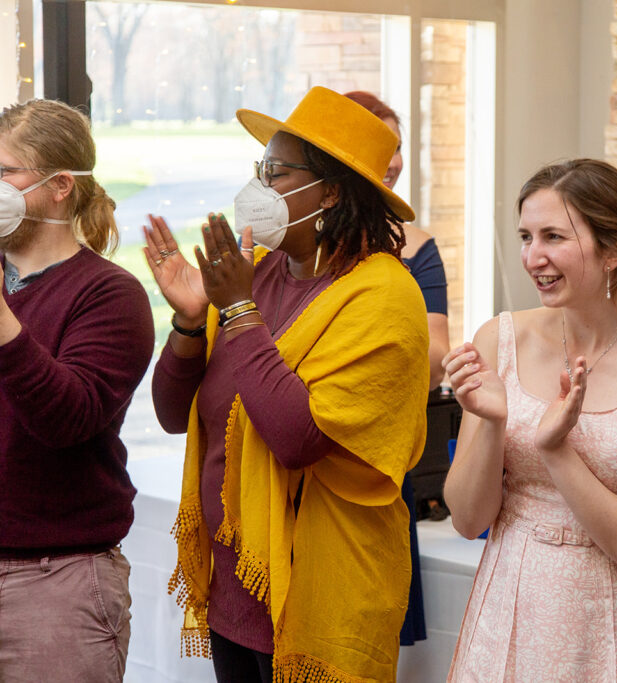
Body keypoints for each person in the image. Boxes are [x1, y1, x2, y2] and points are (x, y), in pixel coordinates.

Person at [149, 86, 429, 682]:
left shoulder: (384, 294)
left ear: (330, 190)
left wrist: (241, 312)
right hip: (238, 581)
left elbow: (298, 436)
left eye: (276, 173)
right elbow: (176, 415)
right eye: (260, 169)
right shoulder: (261, 272)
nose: (259, 188)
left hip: (319, 593)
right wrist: (192, 320)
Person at [443, 159, 617, 681]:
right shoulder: (499, 339)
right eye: (526, 237)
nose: (533, 258)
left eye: (553, 236)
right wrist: (490, 422)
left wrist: (557, 452)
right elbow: (468, 521)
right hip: (511, 599)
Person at [0, 99, 154, 681]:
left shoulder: (110, 295)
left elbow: (67, 418)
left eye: (5, 172)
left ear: (60, 184)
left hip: (53, 584)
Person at [345, 89, 451, 647]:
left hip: (386, 454)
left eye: (400, 147)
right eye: (382, 145)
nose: (393, 162)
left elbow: (433, 364)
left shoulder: (416, 247)